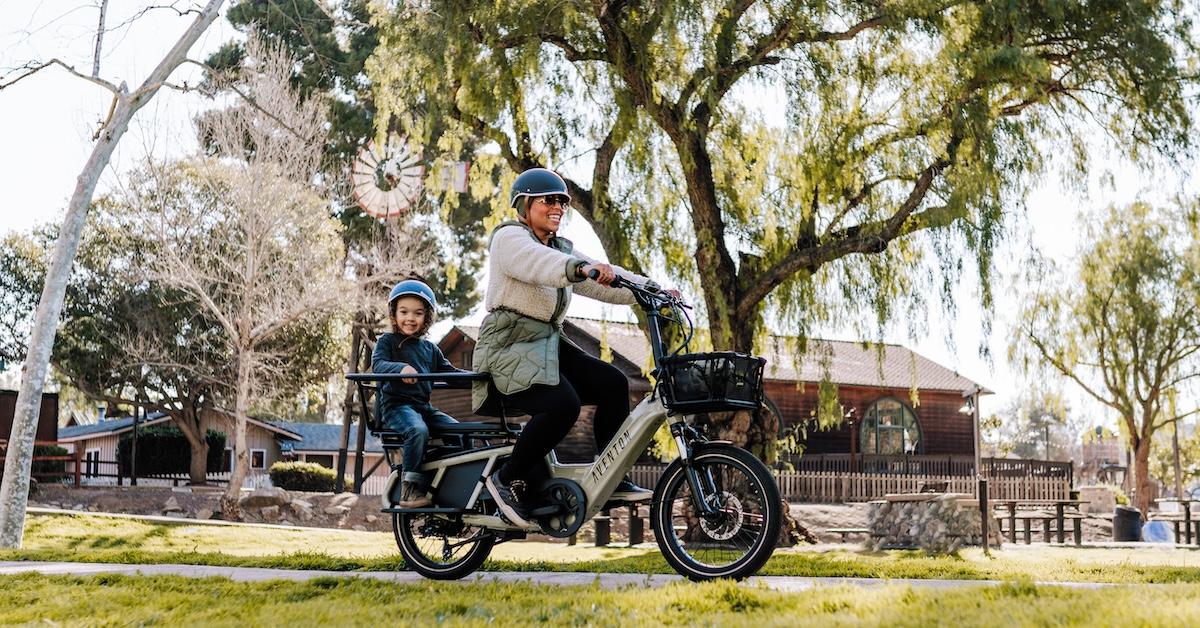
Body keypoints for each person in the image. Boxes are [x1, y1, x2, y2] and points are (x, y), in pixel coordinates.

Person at [473, 167, 666, 527]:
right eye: (549, 200)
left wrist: (651, 289)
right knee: (563, 404)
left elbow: (603, 278)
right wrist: (578, 268)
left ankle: (613, 477)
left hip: (546, 342)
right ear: (525, 205)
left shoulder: (559, 249)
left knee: (613, 383)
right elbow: (541, 266)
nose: (558, 206)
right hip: (509, 344)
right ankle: (507, 477)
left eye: (563, 201)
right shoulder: (510, 239)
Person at [372, 278, 462, 508]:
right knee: (417, 430)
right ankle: (409, 489)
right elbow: (379, 365)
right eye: (404, 312)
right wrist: (400, 368)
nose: (410, 318)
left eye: (418, 313)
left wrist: (479, 377)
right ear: (394, 315)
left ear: (427, 318)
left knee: (460, 431)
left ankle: (449, 478)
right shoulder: (388, 342)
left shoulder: (430, 349)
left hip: (423, 407)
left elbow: (450, 372)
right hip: (396, 407)